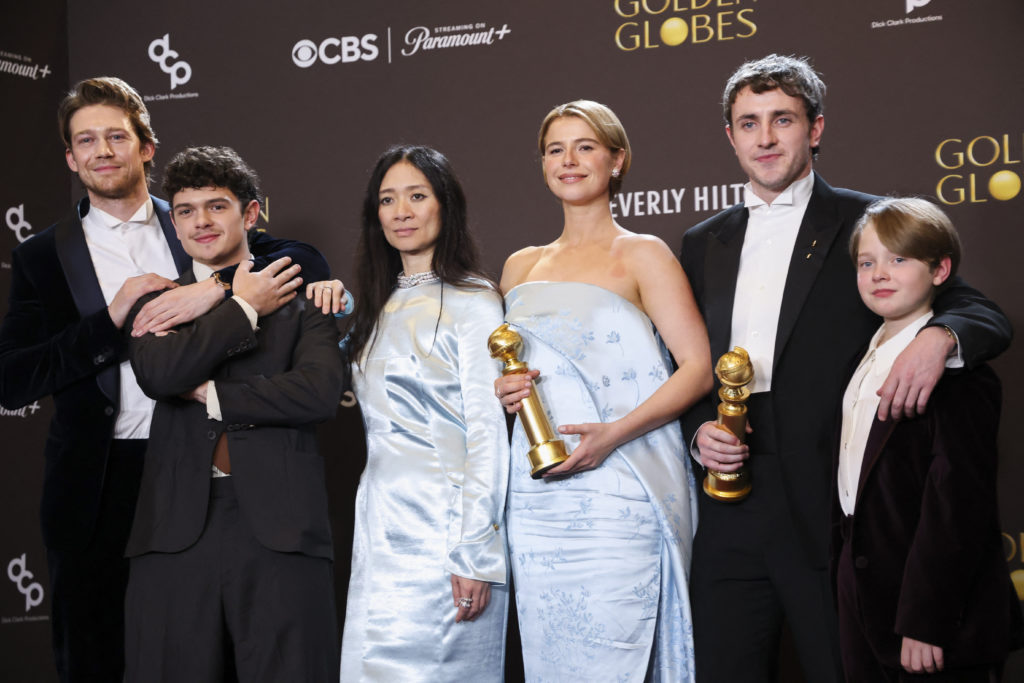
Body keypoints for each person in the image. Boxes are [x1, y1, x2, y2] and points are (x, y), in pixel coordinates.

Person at [679, 54, 1012, 682]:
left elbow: (978, 309)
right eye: (748, 123)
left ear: (816, 129)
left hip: (829, 499)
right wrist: (699, 428)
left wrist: (941, 335)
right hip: (728, 502)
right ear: (730, 136)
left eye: (783, 119)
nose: (766, 137)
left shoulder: (869, 222)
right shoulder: (702, 241)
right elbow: (683, 359)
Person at [0, 77, 328, 682]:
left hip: (200, 464)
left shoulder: (192, 215)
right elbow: (13, 379)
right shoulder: (40, 256)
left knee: (215, 656)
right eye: (86, 140)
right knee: (99, 659)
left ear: (146, 147)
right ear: (71, 159)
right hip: (99, 484)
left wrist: (216, 292)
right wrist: (112, 318)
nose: (103, 150)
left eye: (117, 136)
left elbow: (301, 261)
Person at [495, 100, 712, 681]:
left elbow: (696, 368)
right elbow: (510, 375)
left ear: (617, 160)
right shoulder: (519, 267)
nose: (569, 161)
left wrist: (612, 436)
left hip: (622, 487)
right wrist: (504, 388)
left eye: (585, 146)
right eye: (555, 149)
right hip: (539, 499)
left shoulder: (644, 253)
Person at [122, 146, 344, 682]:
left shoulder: (304, 299)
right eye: (185, 210)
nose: (201, 221)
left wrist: (212, 395)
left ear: (250, 214)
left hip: (282, 527)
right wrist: (242, 307)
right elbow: (159, 376)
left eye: (216, 206)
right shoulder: (156, 303)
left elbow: (316, 393)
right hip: (174, 528)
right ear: (172, 223)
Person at [324, 146, 510, 681]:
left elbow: (486, 431)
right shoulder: (375, 309)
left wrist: (475, 551)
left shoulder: (475, 300)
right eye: (387, 199)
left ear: (444, 205)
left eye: (416, 195)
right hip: (381, 526)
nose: (401, 211)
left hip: (446, 532)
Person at [833, 197, 1023, 682]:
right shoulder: (860, 357)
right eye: (867, 262)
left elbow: (957, 504)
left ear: (941, 270)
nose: (880, 274)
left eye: (899, 259)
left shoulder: (957, 371)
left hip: (934, 621)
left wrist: (926, 620)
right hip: (864, 606)